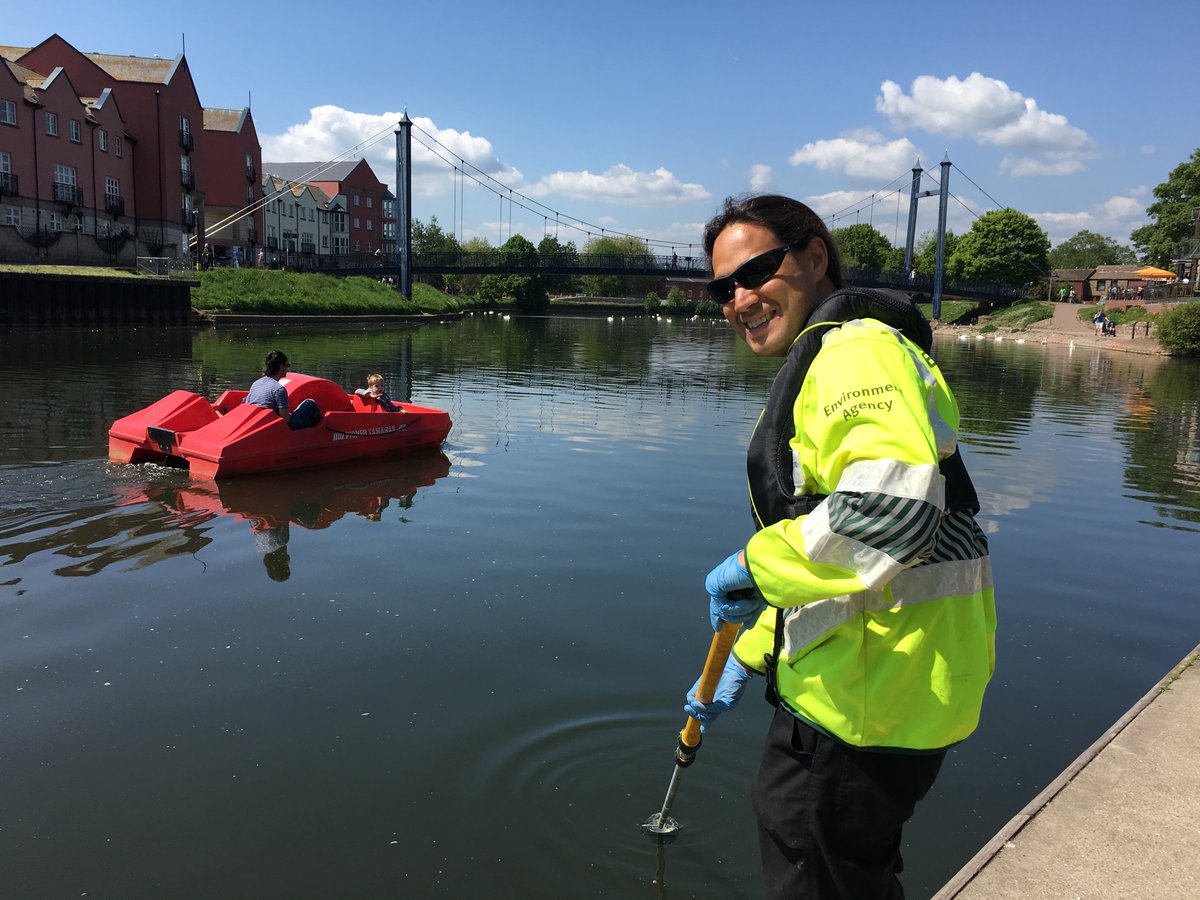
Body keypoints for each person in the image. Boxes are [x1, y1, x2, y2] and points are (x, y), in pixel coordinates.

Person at [682, 194, 995, 900]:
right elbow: (859, 557)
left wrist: (754, 566)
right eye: (722, 287)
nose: (740, 298)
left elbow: (890, 512)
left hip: (864, 703)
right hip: (888, 686)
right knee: (850, 873)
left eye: (757, 270)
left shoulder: (851, 352)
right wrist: (752, 649)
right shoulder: (856, 350)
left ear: (814, 257)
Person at [243, 350, 321, 429]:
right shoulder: (279, 389)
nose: (288, 369)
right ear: (281, 367)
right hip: (279, 427)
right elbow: (285, 419)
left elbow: (246, 403)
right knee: (310, 403)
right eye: (287, 365)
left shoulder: (256, 383)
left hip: (260, 422)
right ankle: (320, 431)